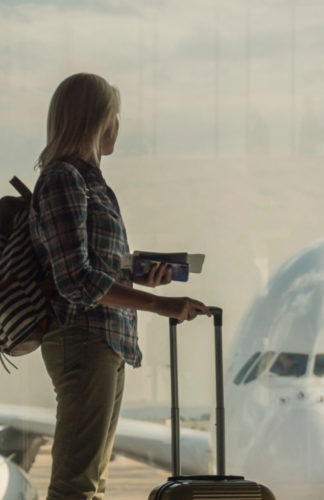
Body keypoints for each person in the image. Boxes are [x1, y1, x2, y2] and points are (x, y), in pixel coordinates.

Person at [28, 73, 210, 500]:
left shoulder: (89, 182)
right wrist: (158, 304)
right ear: (96, 121)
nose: (118, 127)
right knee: (77, 485)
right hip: (84, 338)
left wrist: (135, 273)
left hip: (105, 341)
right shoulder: (64, 179)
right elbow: (76, 280)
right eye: (114, 117)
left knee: (91, 482)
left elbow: (89, 267)